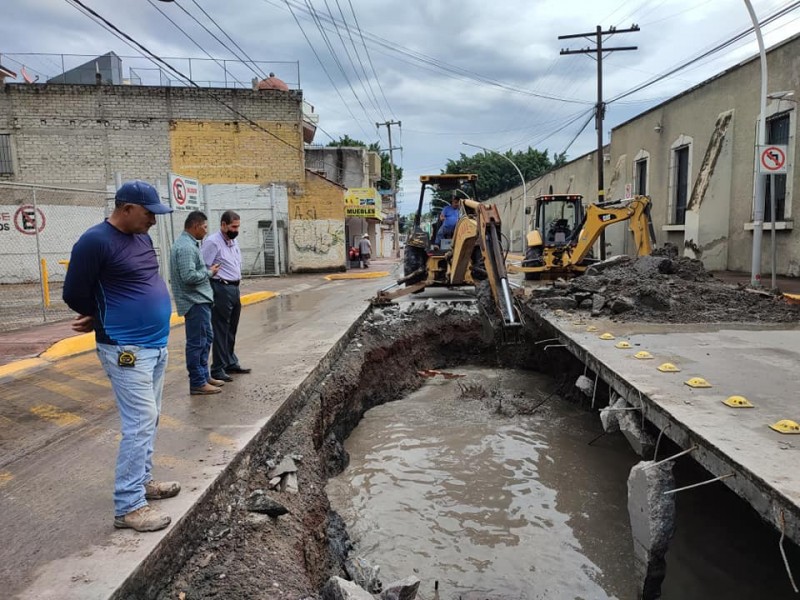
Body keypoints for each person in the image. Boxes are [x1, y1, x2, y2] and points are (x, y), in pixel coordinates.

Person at [63, 180, 179, 532]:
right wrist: (100, 314)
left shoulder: (139, 237)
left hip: (156, 344)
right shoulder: (95, 241)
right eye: (148, 214)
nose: (154, 221)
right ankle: (128, 505)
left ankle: (142, 483)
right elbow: (74, 293)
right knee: (140, 421)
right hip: (125, 347)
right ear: (126, 208)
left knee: (151, 417)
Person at [170, 210, 225, 396]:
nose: (205, 231)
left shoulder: (190, 244)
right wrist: (210, 273)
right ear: (195, 226)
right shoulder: (186, 247)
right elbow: (189, 276)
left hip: (200, 300)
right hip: (195, 302)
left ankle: (203, 376)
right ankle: (197, 381)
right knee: (197, 342)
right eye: (204, 227)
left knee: (206, 339)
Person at [202, 210, 251, 382]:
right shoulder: (212, 243)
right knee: (221, 329)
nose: (236, 230)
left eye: (238, 226)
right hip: (220, 287)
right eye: (233, 226)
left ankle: (230, 362)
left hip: (234, 287)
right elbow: (204, 267)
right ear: (223, 225)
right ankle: (218, 368)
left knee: (232, 328)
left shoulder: (233, 241)